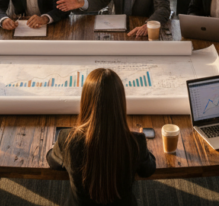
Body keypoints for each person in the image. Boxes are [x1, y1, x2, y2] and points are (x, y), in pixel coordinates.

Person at [47, 68, 156, 205]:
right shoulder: (136, 142)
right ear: (120, 103)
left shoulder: (67, 139)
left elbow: (52, 161)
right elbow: (148, 169)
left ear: (85, 101)